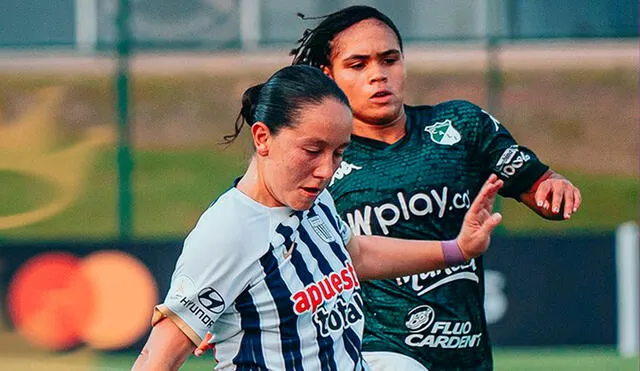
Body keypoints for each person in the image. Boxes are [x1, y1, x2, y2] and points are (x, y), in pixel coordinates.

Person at [131, 65, 505, 371]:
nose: (326, 170)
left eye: (339, 152)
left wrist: (457, 249)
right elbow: (157, 359)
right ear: (262, 138)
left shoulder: (313, 200)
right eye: (312, 150)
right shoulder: (228, 232)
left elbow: (355, 254)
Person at [290, 5, 582, 371]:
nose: (378, 75)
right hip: (372, 350)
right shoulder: (320, 159)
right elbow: (267, 234)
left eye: (389, 60)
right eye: (358, 64)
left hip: (466, 351)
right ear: (328, 76)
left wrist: (554, 189)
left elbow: (537, 184)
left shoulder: (461, 126)